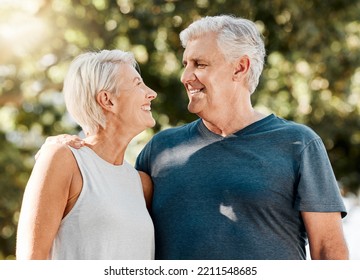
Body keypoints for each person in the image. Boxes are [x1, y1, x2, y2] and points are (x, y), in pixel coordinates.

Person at [40, 15, 349, 260]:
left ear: (240, 68)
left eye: (200, 64)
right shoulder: (161, 149)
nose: (185, 76)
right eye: (186, 63)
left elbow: (328, 250)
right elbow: (107, 202)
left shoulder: (298, 144)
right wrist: (73, 145)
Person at [16, 50, 157, 260]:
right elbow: (31, 262)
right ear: (107, 100)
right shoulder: (63, 159)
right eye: (138, 84)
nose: (151, 93)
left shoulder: (141, 184)